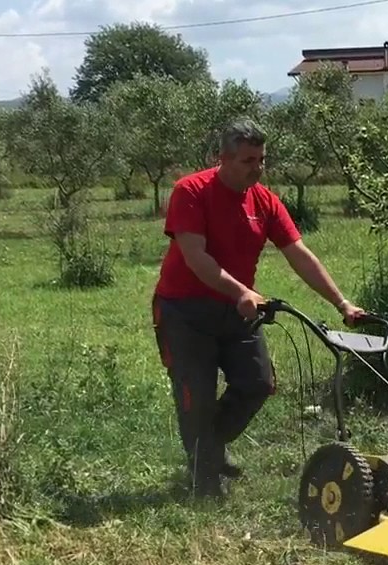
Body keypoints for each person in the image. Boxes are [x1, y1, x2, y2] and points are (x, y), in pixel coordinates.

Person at [152, 119, 365, 498]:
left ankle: (209, 448)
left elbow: (298, 254)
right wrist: (242, 292)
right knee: (196, 396)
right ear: (224, 158)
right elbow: (196, 258)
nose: (258, 168)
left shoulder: (264, 201)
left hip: (237, 311)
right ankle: (204, 479)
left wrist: (341, 302)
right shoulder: (191, 191)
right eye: (248, 160)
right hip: (184, 312)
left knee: (258, 383)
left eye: (262, 159)